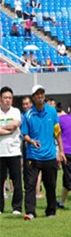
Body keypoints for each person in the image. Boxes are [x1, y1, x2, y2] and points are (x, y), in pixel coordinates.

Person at [21, 85, 66, 219]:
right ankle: (30, 211)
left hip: (50, 155)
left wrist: (61, 151)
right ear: (33, 98)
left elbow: (57, 132)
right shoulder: (28, 115)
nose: (40, 96)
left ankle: (51, 211)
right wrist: (31, 141)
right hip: (33, 156)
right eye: (37, 94)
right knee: (30, 184)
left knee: (50, 185)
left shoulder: (52, 112)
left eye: (42, 93)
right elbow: (24, 134)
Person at [0, 87, 23, 215]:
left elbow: (15, 126)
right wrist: (7, 129)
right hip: (0, 152)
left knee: (16, 181)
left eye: (10, 98)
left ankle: (17, 208)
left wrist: (2, 128)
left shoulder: (15, 111)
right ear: (0, 100)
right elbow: (10, 128)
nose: (8, 100)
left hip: (14, 152)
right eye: (5, 98)